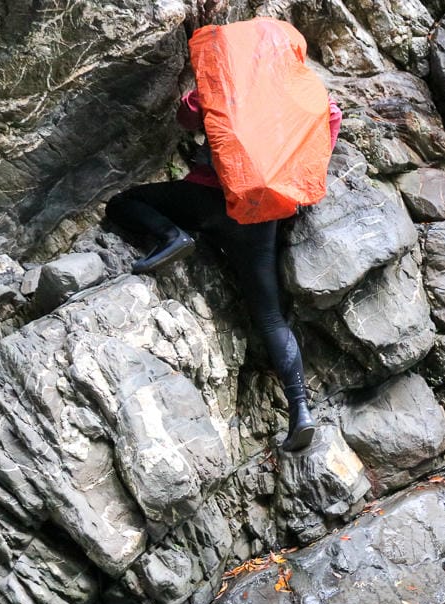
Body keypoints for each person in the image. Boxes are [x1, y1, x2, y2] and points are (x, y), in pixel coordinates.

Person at [105, 88, 342, 453]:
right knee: (270, 318)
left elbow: (187, 114)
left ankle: (171, 236)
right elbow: (330, 121)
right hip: (260, 213)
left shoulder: (229, 78)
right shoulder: (301, 90)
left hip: (207, 197)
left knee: (123, 201)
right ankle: (300, 412)